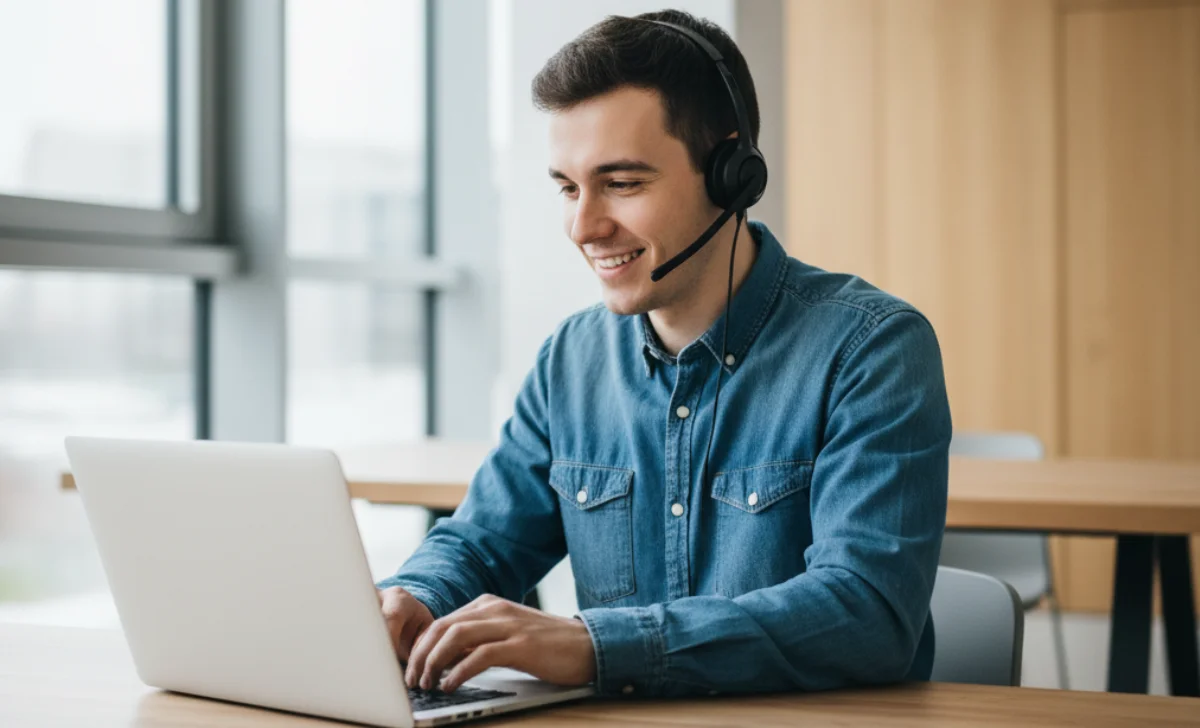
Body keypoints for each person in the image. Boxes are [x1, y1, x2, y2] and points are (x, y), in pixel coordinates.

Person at [376, 9, 951, 698]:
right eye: (568, 188)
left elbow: (866, 613)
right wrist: (416, 594)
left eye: (622, 184)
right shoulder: (572, 359)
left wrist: (596, 646)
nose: (583, 227)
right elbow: (484, 541)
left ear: (731, 175)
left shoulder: (872, 349)